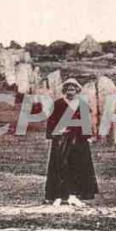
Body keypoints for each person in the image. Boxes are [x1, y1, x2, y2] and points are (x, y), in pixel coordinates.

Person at [44, 78, 99, 206]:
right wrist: (53, 134)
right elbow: (51, 121)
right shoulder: (58, 104)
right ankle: (58, 195)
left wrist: (87, 136)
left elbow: (86, 123)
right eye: (68, 89)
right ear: (65, 90)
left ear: (77, 90)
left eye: (73, 89)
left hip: (77, 141)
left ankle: (73, 195)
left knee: (76, 167)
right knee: (59, 166)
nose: (71, 91)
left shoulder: (82, 104)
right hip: (61, 140)